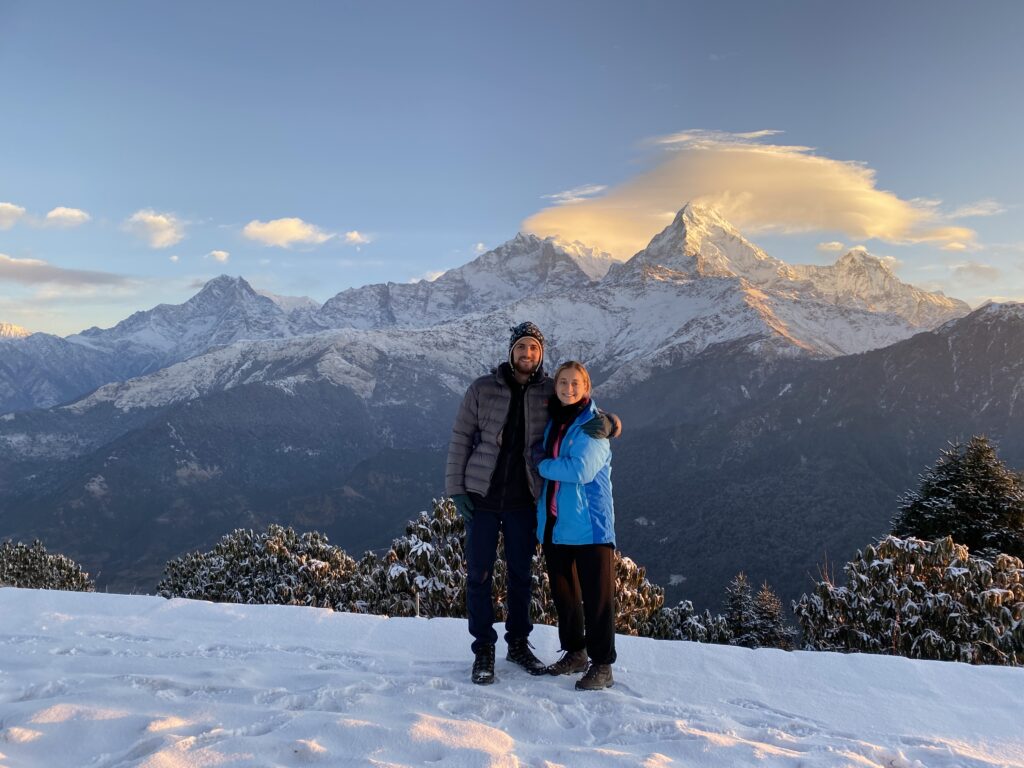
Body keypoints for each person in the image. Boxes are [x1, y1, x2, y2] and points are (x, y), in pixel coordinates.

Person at [445, 322, 619, 685]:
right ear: (511, 351)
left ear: (541, 355)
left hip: (525, 498)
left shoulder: (548, 393)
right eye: (522, 347)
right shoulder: (482, 388)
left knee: (521, 575)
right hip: (483, 496)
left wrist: (612, 423)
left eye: (534, 349)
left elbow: (583, 409)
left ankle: (519, 642)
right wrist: (456, 488)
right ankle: (483, 648)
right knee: (479, 574)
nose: (527, 354)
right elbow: (461, 436)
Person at [536, 360, 617, 690]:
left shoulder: (593, 426)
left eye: (575, 384)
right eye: (563, 382)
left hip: (590, 525)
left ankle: (602, 665)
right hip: (557, 524)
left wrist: (541, 466)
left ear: (587, 388)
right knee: (565, 595)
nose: (568, 388)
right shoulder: (554, 420)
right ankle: (575, 652)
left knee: (598, 598)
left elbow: (580, 472)